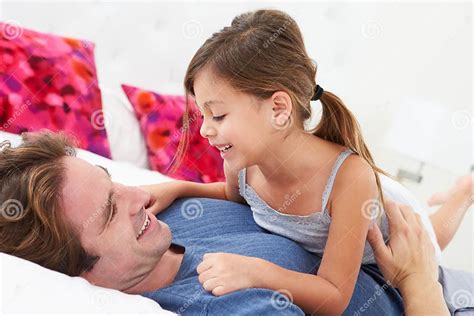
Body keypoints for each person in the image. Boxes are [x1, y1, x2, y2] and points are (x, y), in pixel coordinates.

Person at [144, 9, 473, 314]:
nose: (204, 129)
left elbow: (334, 296)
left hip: (395, 224)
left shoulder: (347, 179)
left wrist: (258, 272)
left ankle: (463, 192)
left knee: (434, 236)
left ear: (278, 109)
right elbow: (234, 198)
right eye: (204, 115)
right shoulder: (241, 163)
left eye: (218, 115)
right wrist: (178, 188)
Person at [0, 131, 472, 315]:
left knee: (425, 222)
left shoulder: (158, 214)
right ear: (75, 269)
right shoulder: (230, 308)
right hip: (432, 302)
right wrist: (417, 283)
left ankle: (458, 196)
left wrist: (183, 187)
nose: (137, 195)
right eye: (109, 211)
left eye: (111, 180)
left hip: (427, 277)